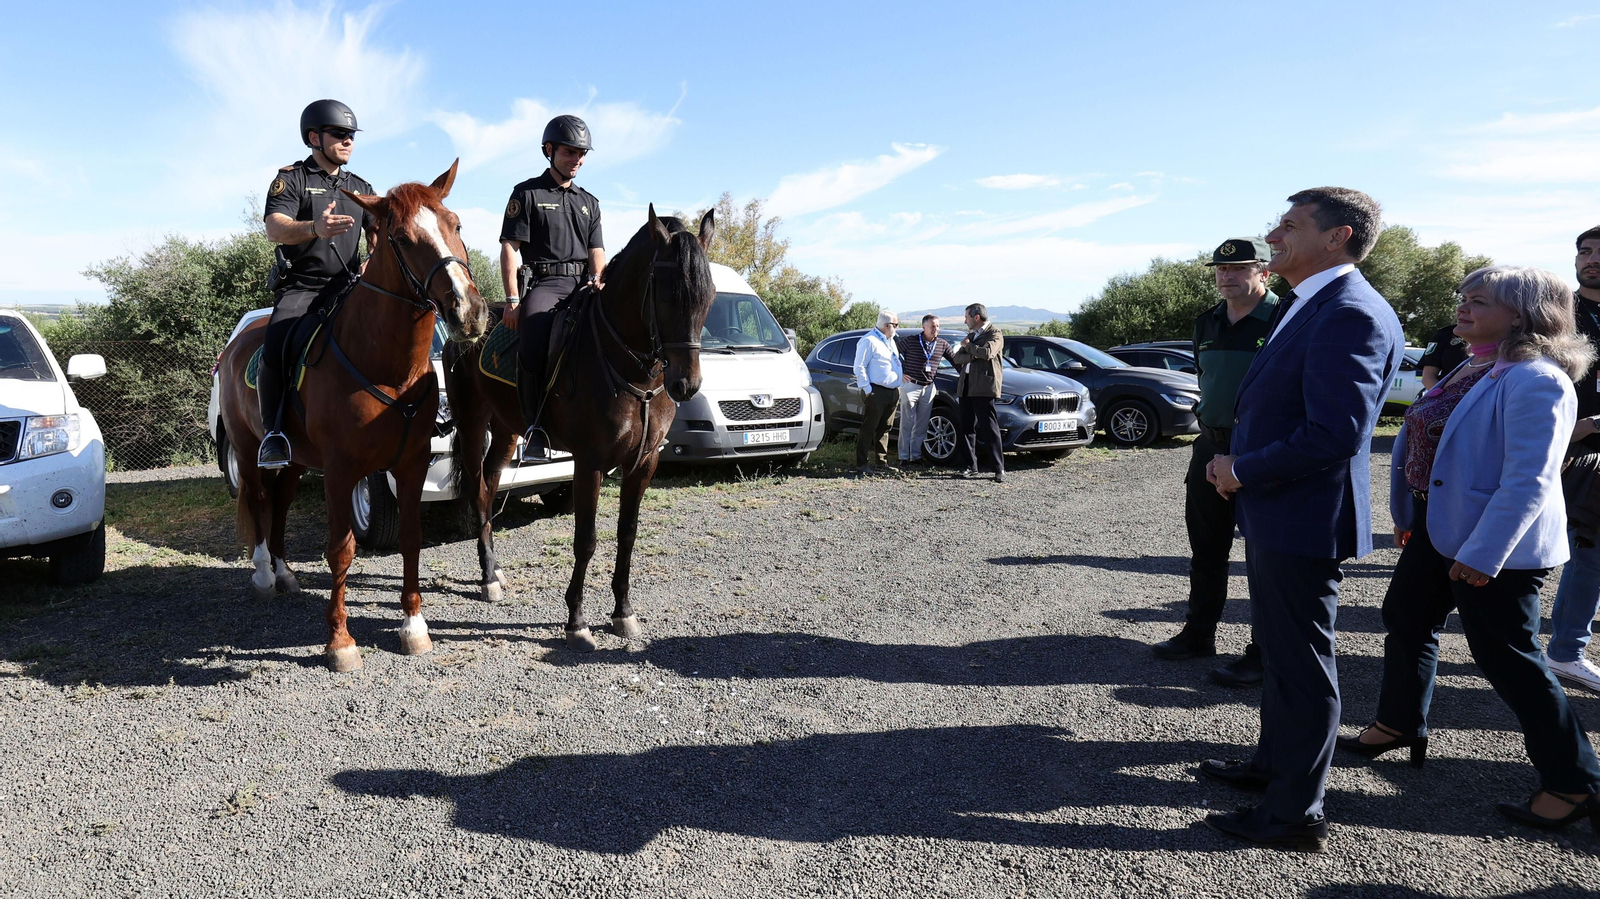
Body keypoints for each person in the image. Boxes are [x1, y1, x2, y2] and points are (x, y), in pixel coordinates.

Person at [1340, 266, 1600, 830]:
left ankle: (1575, 781)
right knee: (1406, 616)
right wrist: (1414, 513)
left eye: (1478, 300)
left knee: (1509, 658)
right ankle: (1401, 721)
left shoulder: (1538, 379)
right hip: (1442, 529)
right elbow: (1432, 442)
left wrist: (1483, 555)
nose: (1462, 308)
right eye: (1464, 298)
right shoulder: (1480, 362)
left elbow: (1529, 479)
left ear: (1524, 314)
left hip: (1494, 545)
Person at [1198, 188, 1404, 851]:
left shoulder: (1350, 313)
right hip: (1281, 512)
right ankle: (1273, 767)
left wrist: (1242, 469)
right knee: (1282, 659)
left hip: (1302, 516)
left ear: (1337, 237)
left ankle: (1294, 814)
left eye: (1289, 224)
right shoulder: (1310, 303)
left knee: (1303, 665)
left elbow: (1333, 434)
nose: (1274, 233)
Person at [1152, 238, 1278, 690]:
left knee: (1266, 556)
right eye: (1220, 270)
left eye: (1239, 269)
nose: (1227, 277)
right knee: (1207, 548)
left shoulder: (1284, 317)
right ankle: (1199, 634)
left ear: (1264, 272)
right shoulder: (1207, 321)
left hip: (1261, 450)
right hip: (1210, 445)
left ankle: (1266, 652)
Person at [258, 99, 376, 468]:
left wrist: (373, 257)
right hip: (304, 288)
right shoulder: (291, 179)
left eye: (351, 136)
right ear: (314, 137)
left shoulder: (362, 186)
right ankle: (274, 432)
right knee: (277, 342)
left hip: (350, 288)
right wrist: (314, 228)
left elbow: (377, 233)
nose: (348, 142)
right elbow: (274, 227)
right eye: (339, 135)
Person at [500, 115, 605, 463]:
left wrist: (599, 278)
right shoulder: (526, 194)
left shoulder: (590, 202)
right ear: (550, 150)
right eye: (569, 152)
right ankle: (535, 429)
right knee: (532, 335)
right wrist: (513, 300)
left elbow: (596, 251)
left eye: (581, 153)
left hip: (582, 285)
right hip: (545, 285)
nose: (576, 159)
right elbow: (510, 248)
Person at [1545, 225, 1600, 694]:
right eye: (1585, 251)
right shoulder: (1557, 312)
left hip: (1593, 448)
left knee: (1588, 555)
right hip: (1555, 446)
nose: (1591, 259)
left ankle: (1565, 650)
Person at [950, 303, 1005, 482]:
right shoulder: (971, 335)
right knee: (967, 428)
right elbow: (957, 357)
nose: (965, 320)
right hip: (965, 387)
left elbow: (988, 352)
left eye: (966, 317)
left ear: (976, 317)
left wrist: (969, 347)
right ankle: (970, 467)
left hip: (983, 388)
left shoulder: (995, 334)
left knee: (990, 429)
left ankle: (998, 469)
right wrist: (973, 354)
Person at [852, 311, 903, 476]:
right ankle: (862, 464)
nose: (897, 328)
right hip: (876, 391)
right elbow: (859, 367)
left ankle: (881, 463)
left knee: (885, 428)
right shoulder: (869, 341)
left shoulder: (890, 340)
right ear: (887, 325)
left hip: (892, 391)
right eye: (895, 325)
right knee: (869, 428)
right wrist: (867, 390)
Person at [896, 315, 951, 465]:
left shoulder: (942, 344)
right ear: (924, 327)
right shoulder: (911, 341)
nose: (936, 329)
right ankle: (903, 457)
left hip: (928, 387)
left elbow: (956, 361)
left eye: (938, 326)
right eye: (933, 326)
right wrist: (900, 373)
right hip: (911, 386)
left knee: (921, 424)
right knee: (907, 423)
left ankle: (916, 455)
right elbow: (893, 355)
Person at [1417, 323, 1467, 390]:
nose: (1461, 312)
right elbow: (1428, 377)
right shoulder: (1446, 334)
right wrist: (1443, 398)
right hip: (1450, 395)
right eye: (1457, 311)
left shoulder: (1485, 335)